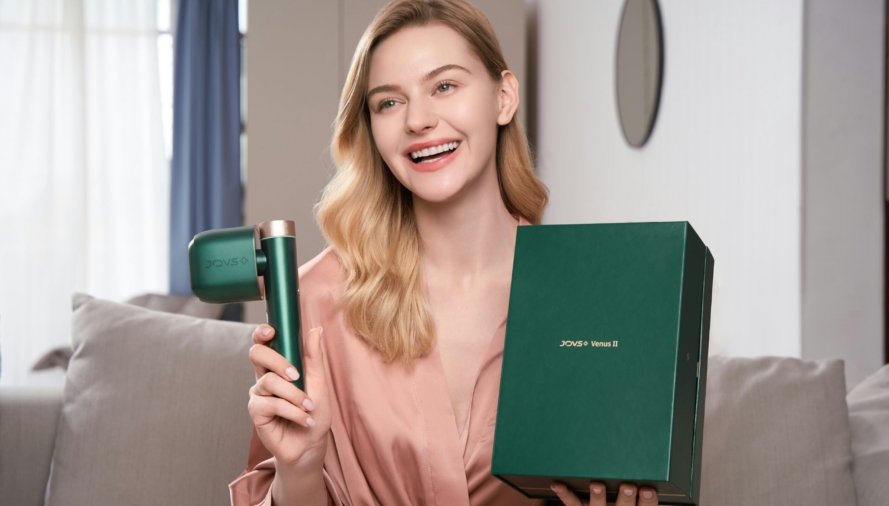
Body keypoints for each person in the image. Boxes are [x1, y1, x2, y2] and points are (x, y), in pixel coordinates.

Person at [229, 1, 659, 505]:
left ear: (503, 98)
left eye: (444, 86)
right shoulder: (314, 299)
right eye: (388, 102)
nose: (418, 120)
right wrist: (299, 471)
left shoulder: (588, 296)